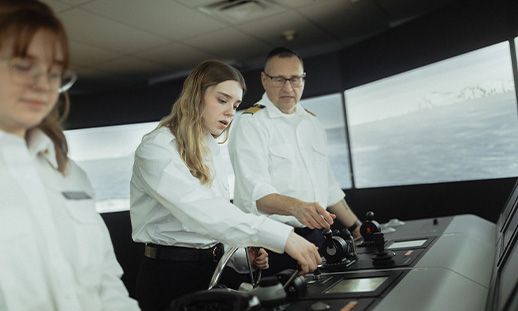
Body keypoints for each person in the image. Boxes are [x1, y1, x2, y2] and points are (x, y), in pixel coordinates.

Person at [130, 59, 322, 311]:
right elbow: (201, 211)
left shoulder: (209, 147)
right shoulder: (156, 149)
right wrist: (283, 237)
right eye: (222, 101)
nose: (231, 112)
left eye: (235, 105)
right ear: (195, 96)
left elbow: (215, 219)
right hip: (169, 277)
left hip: (208, 273)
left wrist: (242, 256)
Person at [0, 1, 140, 310]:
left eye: (54, 73)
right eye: (24, 65)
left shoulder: (69, 173)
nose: (43, 85)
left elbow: (106, 281)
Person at [228, 47, 362, 276]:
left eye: (295, 79)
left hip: (318, 236)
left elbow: (328, 186)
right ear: (264, 79)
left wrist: (357, 227)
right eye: (279, 79)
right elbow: (255, 193)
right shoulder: (251, 123)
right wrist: (297, 207)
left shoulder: (313, 123)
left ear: (303, 79)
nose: (288, 87)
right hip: (273, 243)